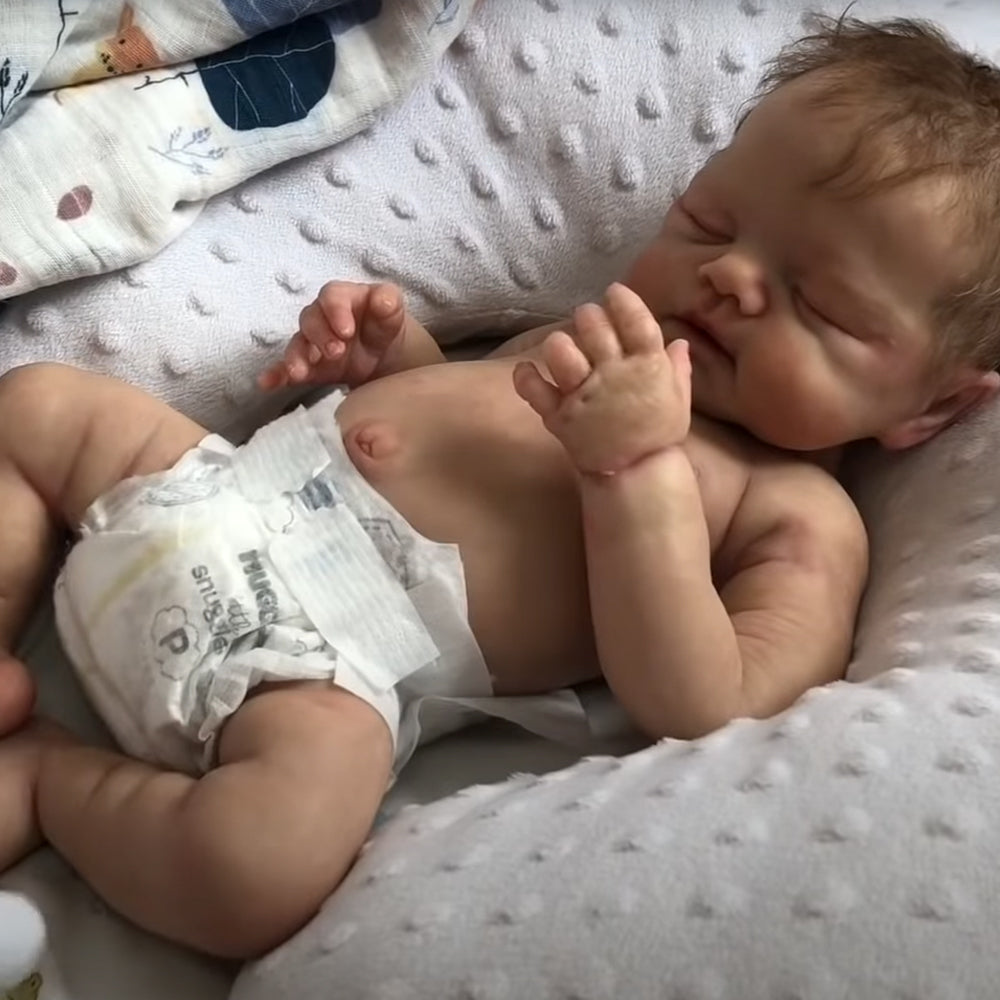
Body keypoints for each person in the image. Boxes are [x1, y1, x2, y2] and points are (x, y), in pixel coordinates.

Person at [0, 14, 999, 960]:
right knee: (35, 404)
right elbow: (461, 422)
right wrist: (390, 357)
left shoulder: (798, 517)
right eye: (709, 220)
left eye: (821, 305)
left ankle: (49, 779)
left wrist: (637, 473)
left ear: (931, 405)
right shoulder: (597, 335)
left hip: (321, 669)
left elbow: (708, 706)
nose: (729, 276)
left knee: (258, 865)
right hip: (214, 494)